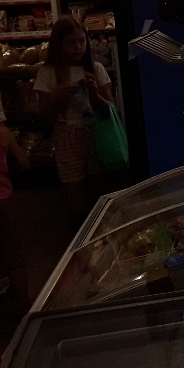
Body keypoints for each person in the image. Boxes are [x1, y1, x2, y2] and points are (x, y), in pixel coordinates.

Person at [34, 16, 113, 226]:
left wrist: (95, 94)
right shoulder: (47, 74)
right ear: (58, 45)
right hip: (66, 138)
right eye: (70, 42)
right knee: (75, 199)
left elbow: (110, 112)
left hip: (97, 135)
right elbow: (43, 119)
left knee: (101, 195)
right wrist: (57, 98)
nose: (77, 47)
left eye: (81, 41)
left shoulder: (96, 69)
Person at [0, 84, 30, 296]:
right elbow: (24, 162)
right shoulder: (2, 133)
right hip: (2, 202)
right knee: (15, 258)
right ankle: (23, 305)